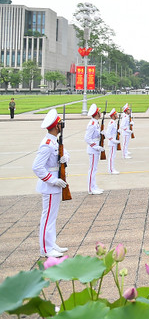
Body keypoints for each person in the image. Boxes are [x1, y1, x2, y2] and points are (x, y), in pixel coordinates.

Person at [32, 109, 69, 258]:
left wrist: (65, 158)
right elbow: (37, 167)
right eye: (60, 124)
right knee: (47, 218)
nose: (61, 126)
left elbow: (65, 153)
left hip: (57, 184)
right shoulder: (47, 144)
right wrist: (53, 180)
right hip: (50, 185)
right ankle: (46, 249)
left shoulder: (55, 141)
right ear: (56, 126)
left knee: (52, 218)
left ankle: (51, 244)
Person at [84, 104, 104, 195]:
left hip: (96, 148)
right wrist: (96, 146)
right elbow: (87, 138)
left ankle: (94, 186)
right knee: (92, 169)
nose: (100, 112)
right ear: (97, 113)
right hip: (93, 149)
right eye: (99, 111)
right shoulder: (92, 124)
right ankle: (90, 189)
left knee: (94, 169)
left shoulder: (96, 123)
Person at [105, 109, 120, 175]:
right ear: (113, 115)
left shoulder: (113, 122)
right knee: (111, 157)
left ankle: (112, 168)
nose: (117, 115)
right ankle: (111, 170)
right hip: (112, 142)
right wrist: (113, 140)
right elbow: (108, 133)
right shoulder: (111, 123)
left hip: (114, 142)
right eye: (116, 114)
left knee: (113, 156)